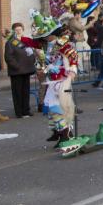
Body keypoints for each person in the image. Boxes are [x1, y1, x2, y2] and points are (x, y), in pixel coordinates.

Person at [28, 10, 78, 146]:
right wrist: (41, 66)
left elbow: (73, 57)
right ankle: (60, 133)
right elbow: (46, 62)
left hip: (61, 80)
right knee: (52, 108)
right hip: (52, 81)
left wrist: (72, 72)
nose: (44, 38)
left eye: (46, 35)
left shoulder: (62, 43)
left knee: (58, 108)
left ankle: (65, 135)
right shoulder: (47, 46)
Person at [4, 22, 37, 118]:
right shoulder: (10, 42)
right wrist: (17, 66)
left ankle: (26, 110)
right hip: (17, 71)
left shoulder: (26, 41)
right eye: (16, 30)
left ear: (23, 30)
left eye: (20, 29)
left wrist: (33, 60)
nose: (18, 31)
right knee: (17, 93)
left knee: (26, 92)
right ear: (13, 31)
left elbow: (31, 53)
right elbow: (8, 57)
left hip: (27, 70)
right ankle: (19, 112)